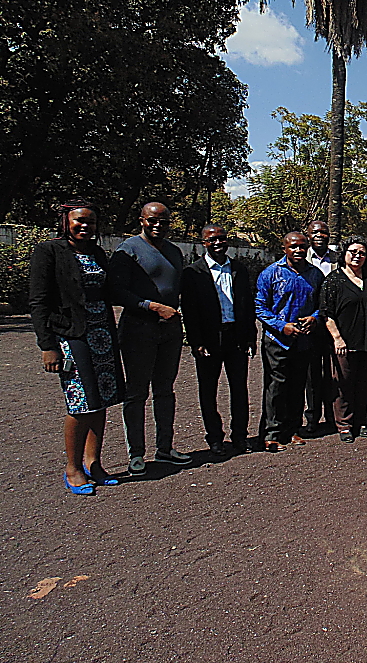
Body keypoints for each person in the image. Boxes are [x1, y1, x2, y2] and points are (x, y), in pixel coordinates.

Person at [29, 202, 125, 494]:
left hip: (102, 334)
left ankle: (93, 463)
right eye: (79, 221)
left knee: (101, 399)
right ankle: (73, 468)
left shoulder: (97, 253)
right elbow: (39, 302)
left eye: (91, 222)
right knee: (80, 401)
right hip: (71, 335)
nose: (85, 226)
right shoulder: (49, 251)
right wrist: (48, 346)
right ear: (65, 222)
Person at [108, 201, 189, 475]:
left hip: (169, 332)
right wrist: (151, 306)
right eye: (152, 220)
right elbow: (116, 291)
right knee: (136, 392)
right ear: (141, 220)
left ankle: (165, 448)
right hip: (138, 330)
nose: (157, 225)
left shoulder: (174, 252)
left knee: (165, 390)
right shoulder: (128, 250)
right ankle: (136, 454)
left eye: (163, 221)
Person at [180, 225, 256, 456]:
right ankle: (214, 438)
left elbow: (247, 305)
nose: (217, 243)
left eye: (221, 239)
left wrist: (250, 337)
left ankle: (240, 436)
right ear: (203, 243)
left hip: (236, 337)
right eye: (212, 240)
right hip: (209, 339)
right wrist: (196, 342)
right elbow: (189, 310)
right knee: (208, 391)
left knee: (239, 389)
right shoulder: (193, 272)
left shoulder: (238, 269)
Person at [256, 232, 323, 452]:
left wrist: (315, 317)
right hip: (277, 340)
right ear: (284, 248)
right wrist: (280, 325)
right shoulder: (270, 273)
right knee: (276, 386)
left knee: (297, 385)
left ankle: (292, 429)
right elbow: (260, 307)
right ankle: (271, 433)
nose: (298, 250)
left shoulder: (314, 274)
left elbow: (322, 304)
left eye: (302, 246)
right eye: (293, 246)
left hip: (303, 340)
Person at [320, 236, 367, 443]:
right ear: (344, 254)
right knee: (344, 384)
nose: (357, 256)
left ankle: (361, 421)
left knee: (364, 384)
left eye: (362, 253)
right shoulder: (334, 280)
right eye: (353, 252)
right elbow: (326, 313)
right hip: (345, 343)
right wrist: (337, 338)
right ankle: (344, 424)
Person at [303, 220, 336, 434]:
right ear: (308, 235)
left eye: (323, 232)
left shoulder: (338, 258)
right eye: (315, 232)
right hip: (311, 324)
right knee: (312, 374)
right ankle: (313, 417)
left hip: (334, 323)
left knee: (334, 373)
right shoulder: (300, 257)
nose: (319, 235)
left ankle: (334, 416)